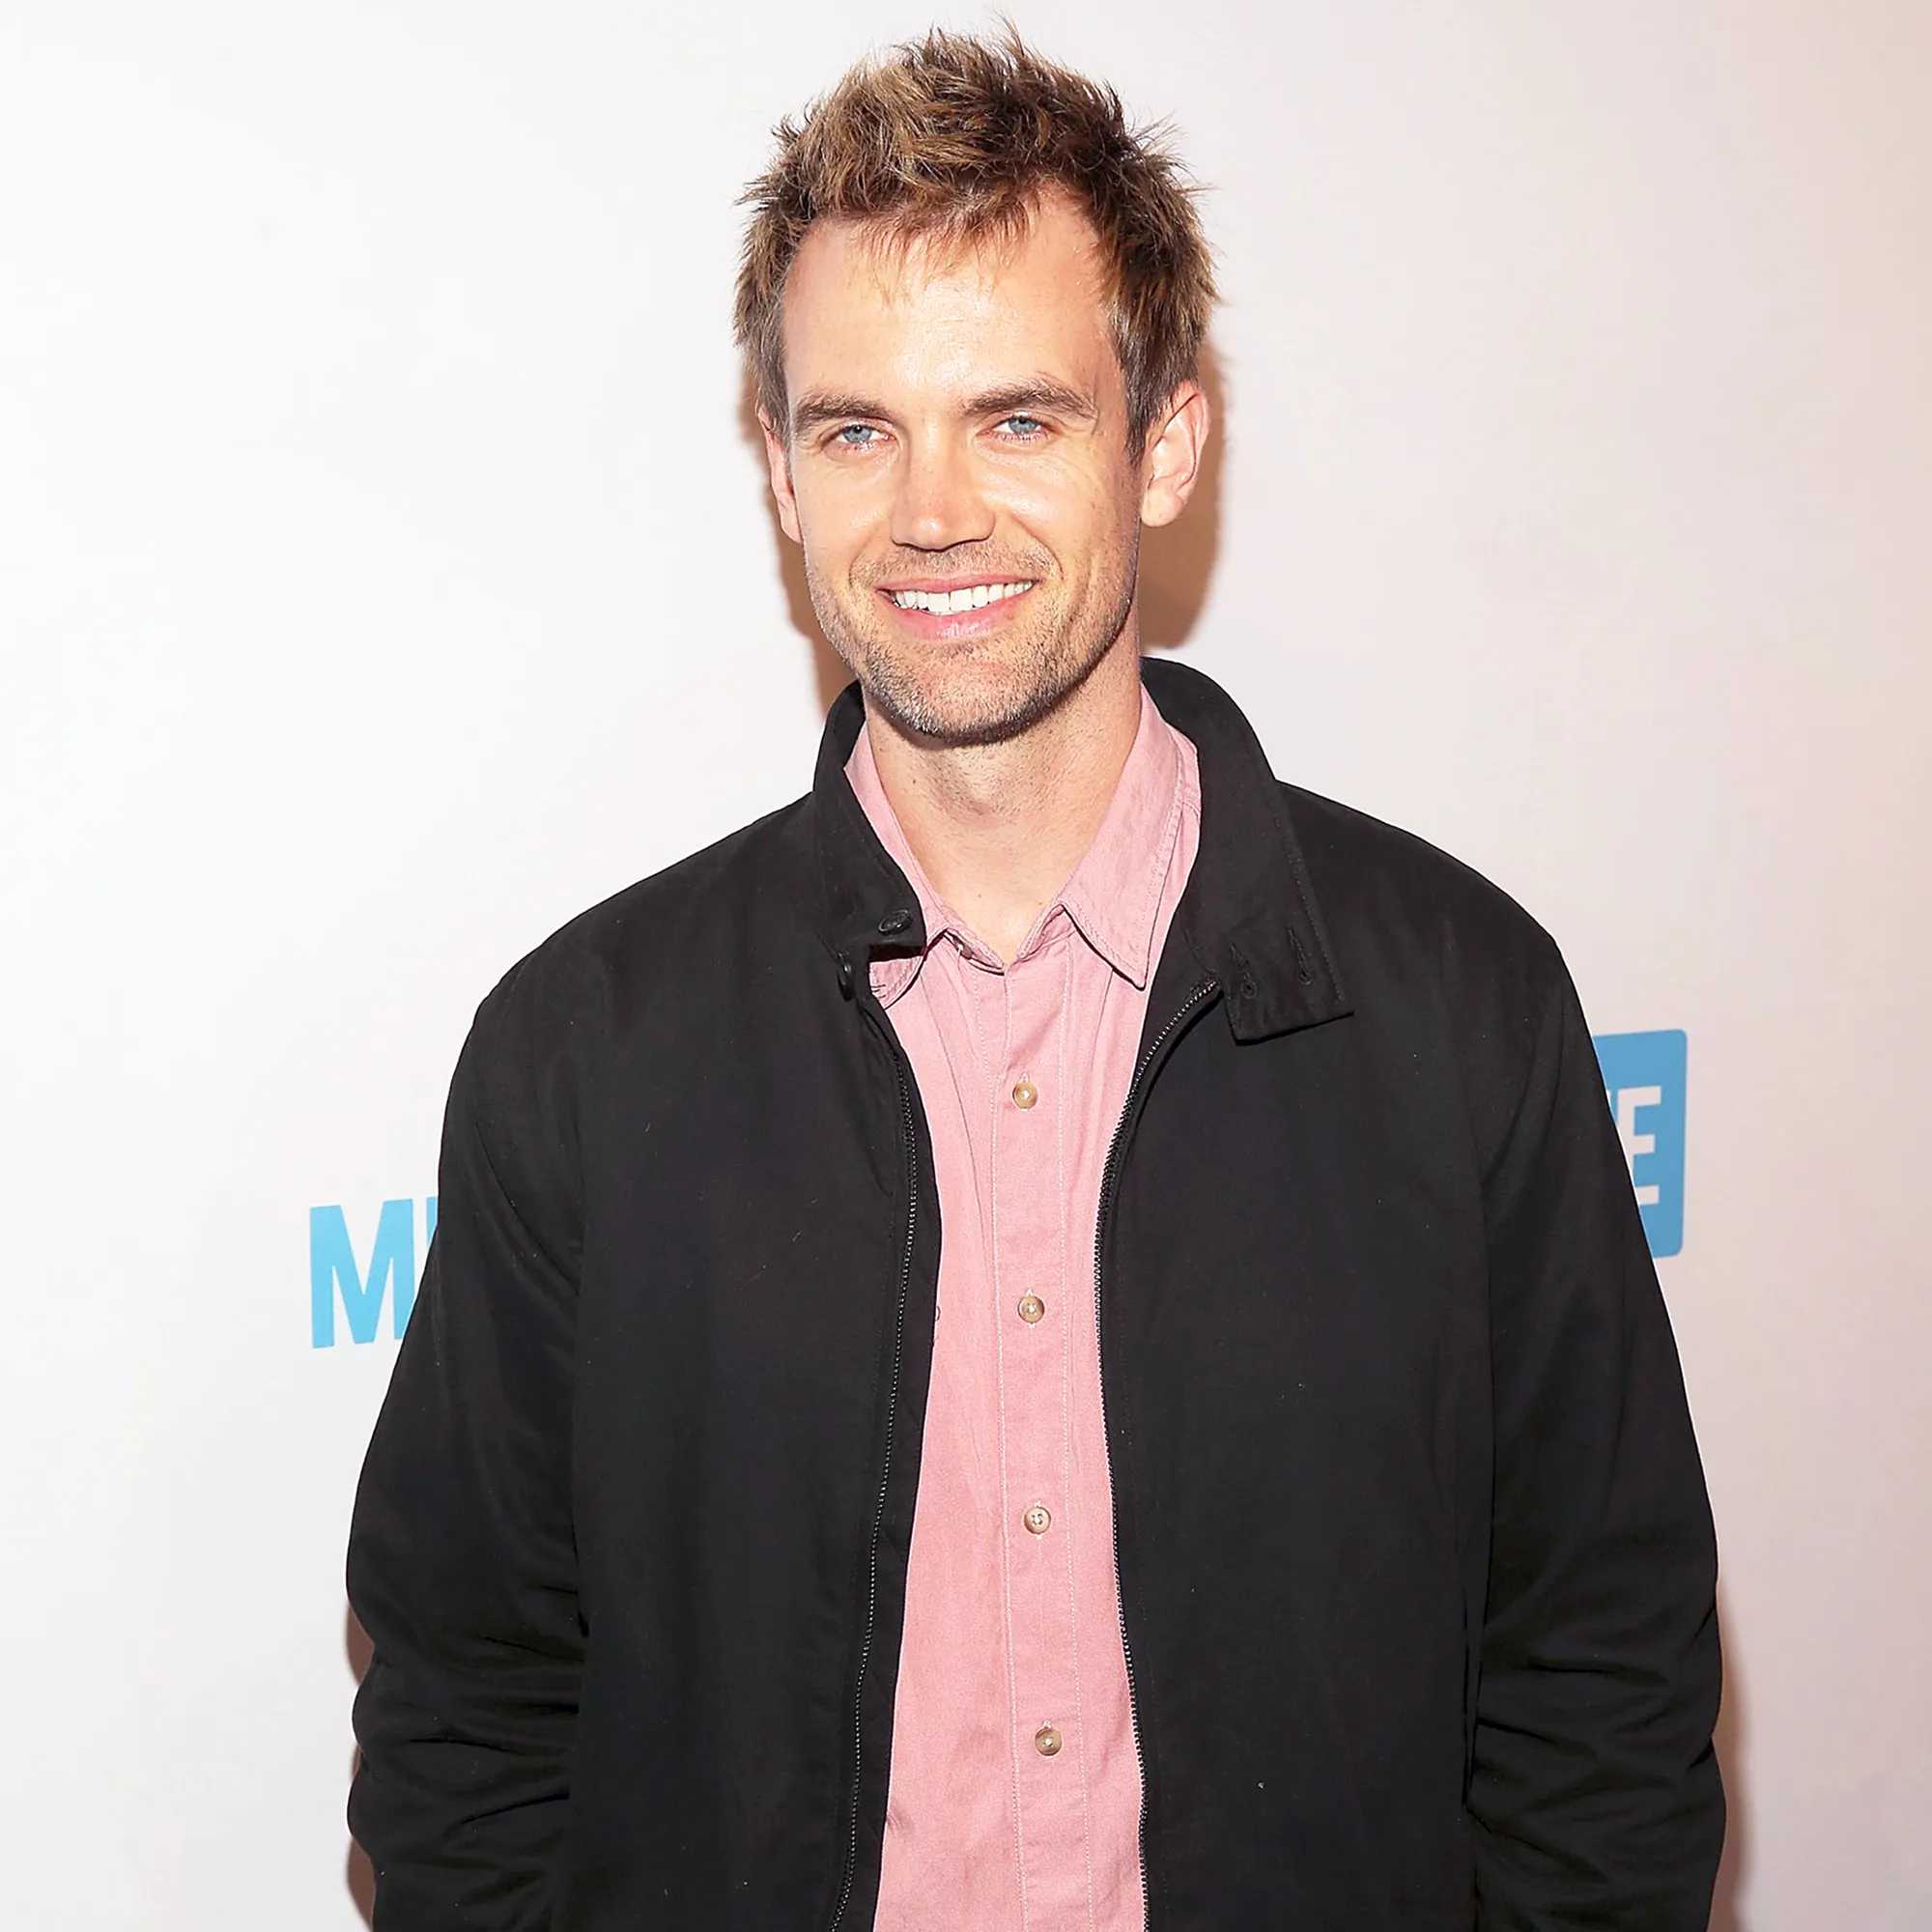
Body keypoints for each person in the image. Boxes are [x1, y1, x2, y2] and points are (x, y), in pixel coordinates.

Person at [347, 29, 1723, 1931]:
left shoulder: (1458, 1011)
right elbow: (467, 1704)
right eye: (855, 428)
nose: (931, 512)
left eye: (1016, 418)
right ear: (775, 467)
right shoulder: (583, 1055)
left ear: (1162, 441)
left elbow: (1601, 1681)